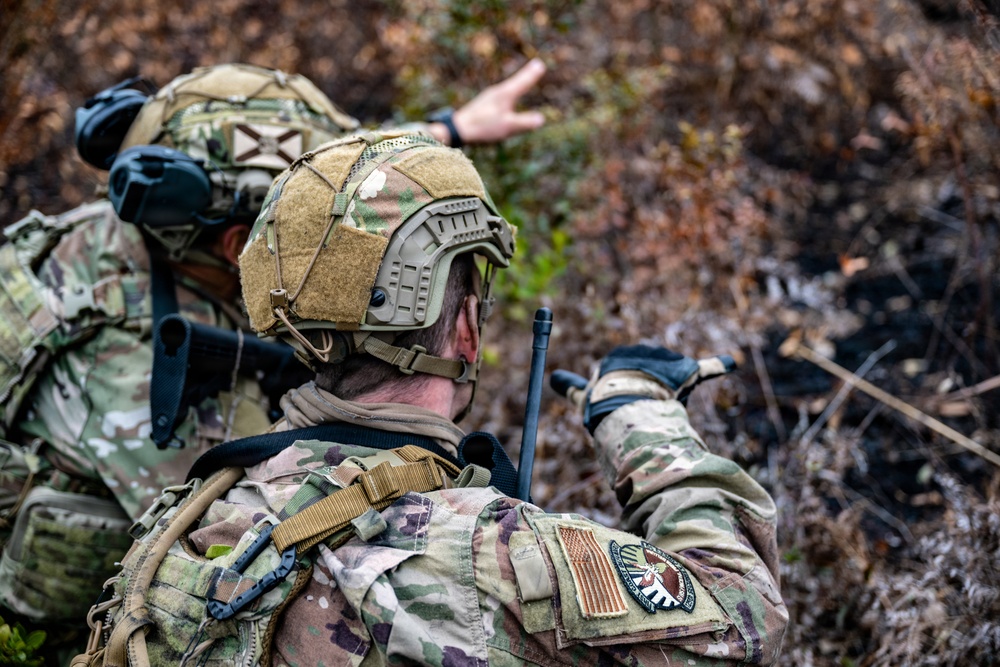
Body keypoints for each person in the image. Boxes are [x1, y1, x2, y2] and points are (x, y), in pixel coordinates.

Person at [81, 131, 787, 666]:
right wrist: (637, 413)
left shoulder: (187, 516)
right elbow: (743, 611)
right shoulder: (490, 555)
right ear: (469, 329)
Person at [0, 60, 545, 645]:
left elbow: (316, 177)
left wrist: (448, 129)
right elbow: (238, 557)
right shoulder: (131, 370)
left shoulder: (142, 223)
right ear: (242, 247)